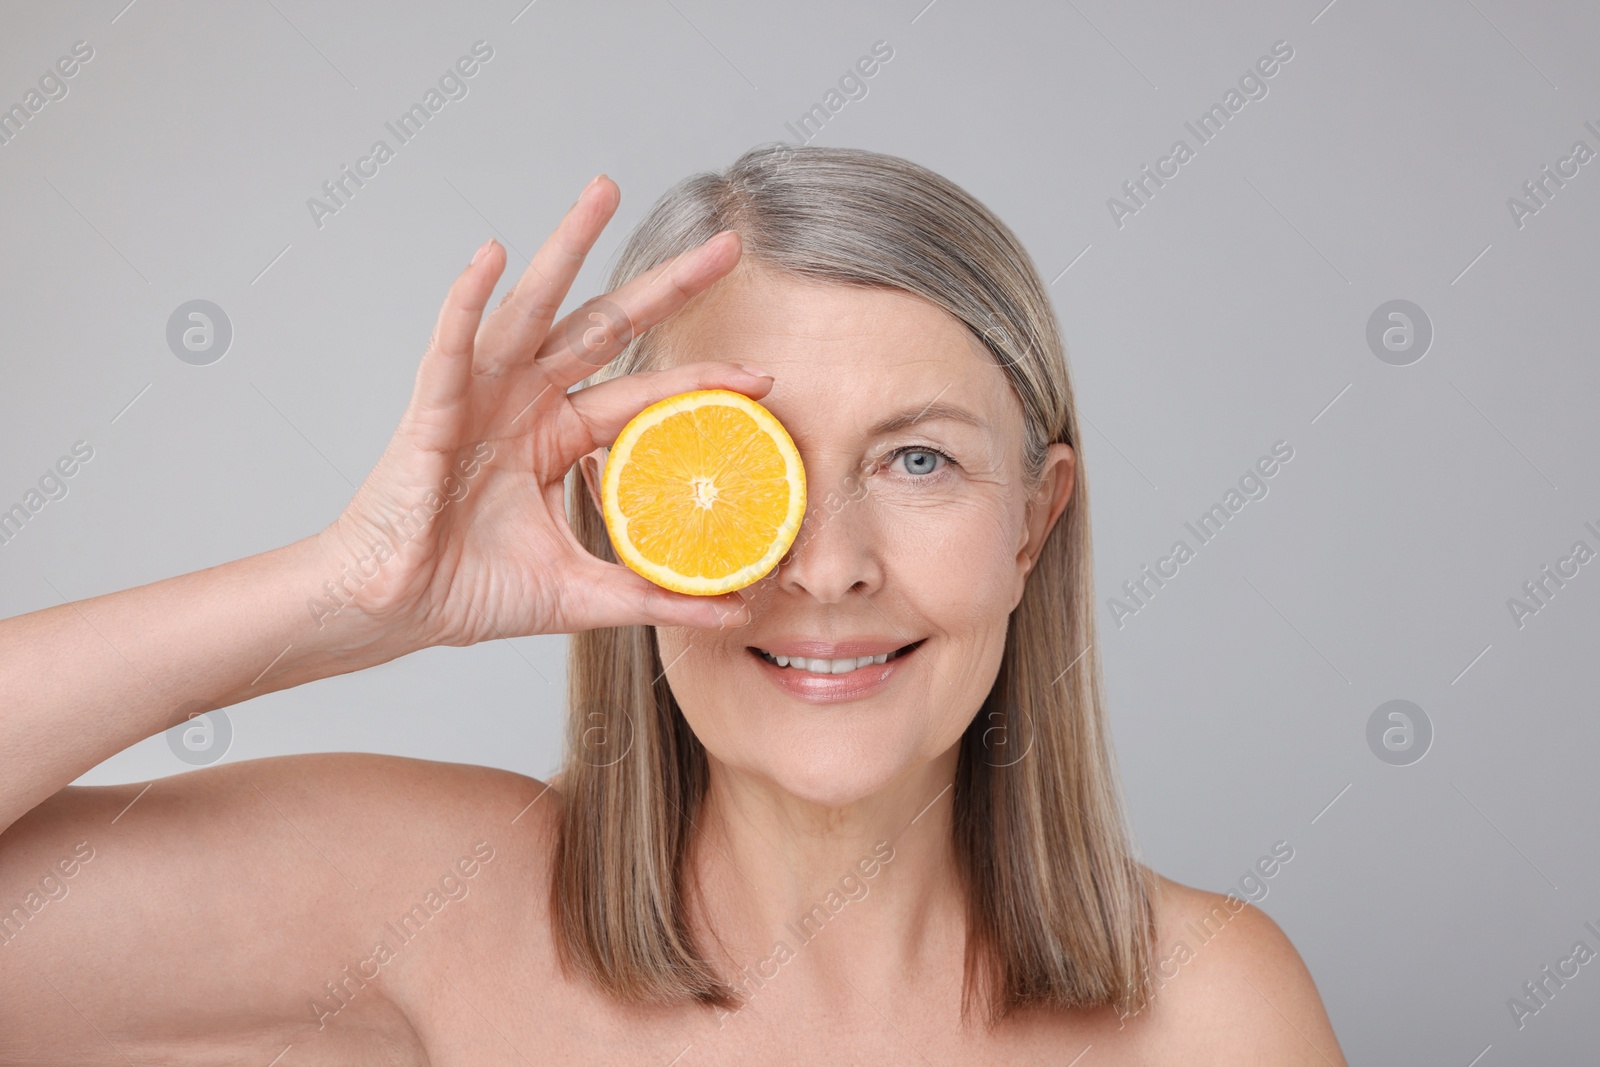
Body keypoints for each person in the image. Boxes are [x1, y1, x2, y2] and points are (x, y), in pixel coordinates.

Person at [0, 144, 1347, 1063]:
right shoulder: (432, 906)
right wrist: (346, 594)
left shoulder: (1209, 1009)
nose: (827, 569)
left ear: (1034, 522)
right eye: (740, 473)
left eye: (918, 458)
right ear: (620, 512)